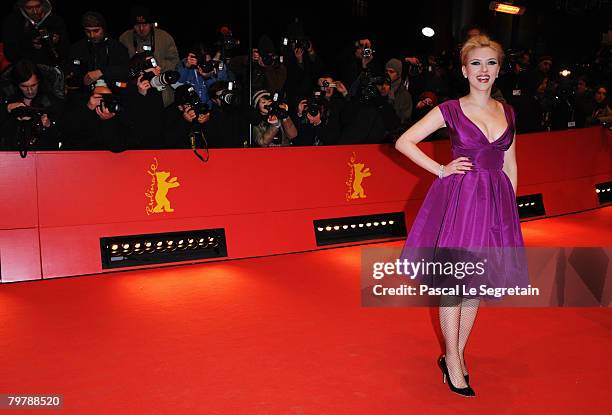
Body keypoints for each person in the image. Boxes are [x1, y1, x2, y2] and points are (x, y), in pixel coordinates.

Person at [394, 34, 529, 397]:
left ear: (500, 69)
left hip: (494, 206)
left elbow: (511, 165)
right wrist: (439, 169)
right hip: (460, 202)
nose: (483, 70)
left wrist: (508, 214)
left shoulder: (508, 112)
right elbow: (404, 142)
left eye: (490, 63)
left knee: (476, 286)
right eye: (476, 63)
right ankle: (453, 360)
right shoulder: (450, 109)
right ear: (464, 70)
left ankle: (457, 353)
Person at [119, 6, 179, 106]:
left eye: (145, 24)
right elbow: (120, 66)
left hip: (162, 93)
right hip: (135, 93)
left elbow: (175, 62)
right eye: (137, 25)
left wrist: (156, 64)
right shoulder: (125, 38)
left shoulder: (164, 37)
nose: (141, 29)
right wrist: (137, 66)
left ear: (151, 24)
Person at [2, 0, 70, 66]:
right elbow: (10, 53)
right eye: (29, 8)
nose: (35, 11)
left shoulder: (56, 21)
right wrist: (30, 45)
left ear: (43, 4)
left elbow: (66, 52)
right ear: (22, 7)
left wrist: (57, 41)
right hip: (27, 71)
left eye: (38, 6)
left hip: (52, 68)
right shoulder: (12, 22)